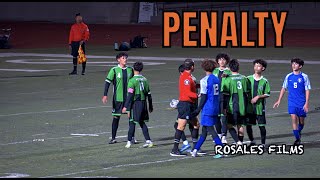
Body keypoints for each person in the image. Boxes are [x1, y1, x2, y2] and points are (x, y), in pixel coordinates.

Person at [191, 59, 224, 159]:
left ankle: (221, 150)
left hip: (208, 108)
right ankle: (195, 150)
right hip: (216, 107)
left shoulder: (204, 80)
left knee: (211, 130)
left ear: (204, 68)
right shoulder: (216, 79)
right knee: (204, 131)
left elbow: (204, 96)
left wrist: (198, 109)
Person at [273, 58, 311, 145]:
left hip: (301, 102)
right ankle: (297, 139)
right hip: (292, 102)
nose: (293, 65)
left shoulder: (304, 77)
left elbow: (307, 90)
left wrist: (306, 103)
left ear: (300, 66)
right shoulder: (288, 76)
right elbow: (283, 88)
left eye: (296, 64)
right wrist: (279, 100)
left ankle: (298, 131)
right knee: (294, 119)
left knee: (301, 122)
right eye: (292, 64)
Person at [102, 52, 136, 144]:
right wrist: (105, 95)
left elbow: (134, 82)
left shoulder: (130, 70)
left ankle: (132, 137)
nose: (125, 59)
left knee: (131, 118)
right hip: (118, 99)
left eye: (126, 58)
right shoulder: (114, 70)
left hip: (129, 99)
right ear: (118, 60)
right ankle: (113, 138)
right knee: (116, 118)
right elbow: (107, 83)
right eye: (123, 58)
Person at [170, 59, 201, 157]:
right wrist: (197, 95)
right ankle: (174, 150)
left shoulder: (187, 77)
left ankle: (196, 148)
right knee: (181, 126)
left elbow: (193, 86)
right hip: (185, 105)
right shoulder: (186, 77)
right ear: (192, 67)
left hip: (189, 105)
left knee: (196, 124)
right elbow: (188, 92)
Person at [122, 61, 154, 148]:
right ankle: (148, 140)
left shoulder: (132, 81)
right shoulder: (145, 79)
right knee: (142, 122)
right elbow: (149, 94)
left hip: (136, 104)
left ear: (133, 69)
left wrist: (125, 106)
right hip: (144, 104)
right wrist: (150, 106)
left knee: (132, 122)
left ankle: (129, 141)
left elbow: (130, 95)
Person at [221, 59, 250, 145]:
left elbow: (225, 94)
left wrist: (224, 107)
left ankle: (238, 142)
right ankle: (240, 141)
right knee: (240, 125)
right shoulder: (244, 78)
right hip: (243, 105)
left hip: (232, 105)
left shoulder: (227, 79)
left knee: (229, 124)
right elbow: (248, 91)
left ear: (229, 68)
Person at [246, 59, 270, 148]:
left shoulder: (265, 81)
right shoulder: (248, 79)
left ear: (263, 68)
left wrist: (258, 96)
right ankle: (252, 141)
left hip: (260, 107)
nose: (256, 67)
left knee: (262, 126)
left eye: (258, 66)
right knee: (248, 126)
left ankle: (263, 144)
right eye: (255, 65)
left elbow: (267, 93)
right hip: (249, 108)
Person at [212, 53, 232, 144]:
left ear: (226, 61)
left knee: (224, 117)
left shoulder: (229, 71)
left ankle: (224, 136)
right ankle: (219, 134)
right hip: (216, 97)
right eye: (220, 60)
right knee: (216, 117)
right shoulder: (214, 71)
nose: (222, 61)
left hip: (225, 97)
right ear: (217, 61)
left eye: (223, 59)